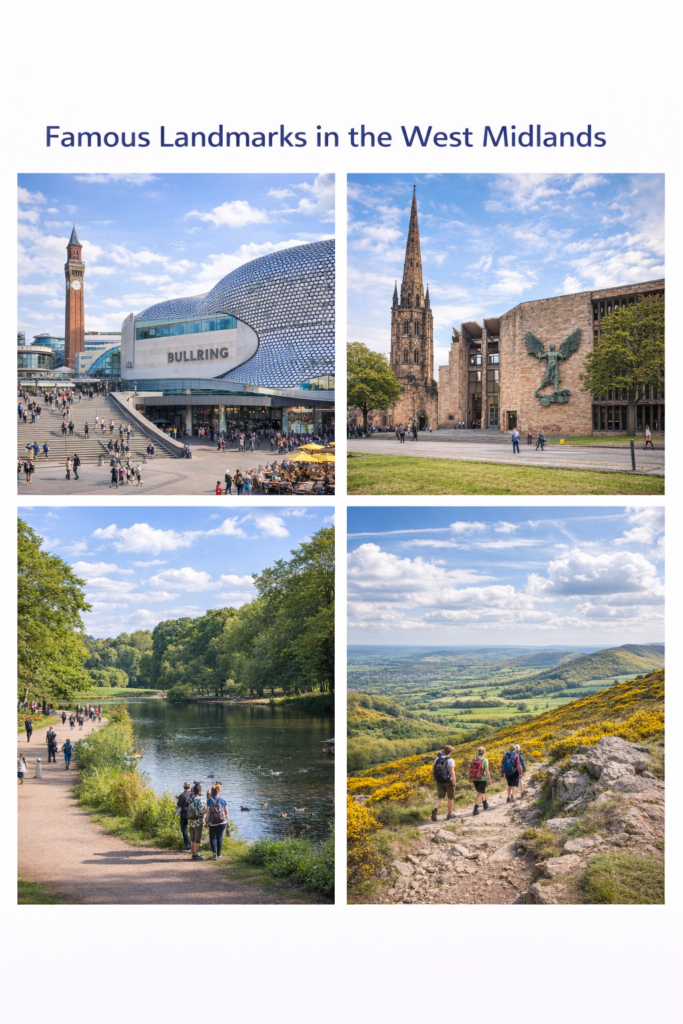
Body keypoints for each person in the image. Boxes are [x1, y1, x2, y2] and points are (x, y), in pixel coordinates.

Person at [431, 744, 456, 822]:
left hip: (439, 781)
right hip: (449, 781)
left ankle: (435, 810)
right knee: (450, 798)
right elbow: (452, 771)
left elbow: (433, 770)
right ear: (450, 752)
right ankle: (449, 814)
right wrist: (454, 780)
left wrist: (434, 779)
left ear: (443, 751)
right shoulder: (450, 760)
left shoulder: (437, 759)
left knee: (440, 797)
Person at [205, 783, 229, 859]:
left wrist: (206, 821)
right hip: (222, 822)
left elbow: (208, 813)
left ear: (211, 792)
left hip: (212, 822)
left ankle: (214, 854)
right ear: (218, 792)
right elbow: (226, 812)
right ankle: (219, 854)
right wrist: (228, 822)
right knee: (220, 837)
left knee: (212, 837)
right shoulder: (223, 801)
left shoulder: (209, 801)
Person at [469, 746, 492, 815]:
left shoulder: (473, 760)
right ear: (484, 752)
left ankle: (485, 804)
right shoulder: (485, 760)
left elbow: (470, 768)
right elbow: (486, 771)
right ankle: (475, 809)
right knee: (480, 793)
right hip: (482, 778)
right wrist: (489, 779)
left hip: (474, 778)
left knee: (480, 792)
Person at [187, 782, 206, 860]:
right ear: (199, 790)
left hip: (191, 819)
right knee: (197, 838)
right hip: (198, 820)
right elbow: (202, 810)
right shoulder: (200, 798)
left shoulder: (190, 798)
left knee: (192, 837)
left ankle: (193, 853)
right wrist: (205, 812)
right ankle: (195, 854)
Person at [176, 781, 193, 851]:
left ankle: (188, 845)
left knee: (184, 829)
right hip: (193, 813)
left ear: (184, 787)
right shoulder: (193, 794)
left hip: (184, 814)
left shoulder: (182, 795)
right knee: (194, 830)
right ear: (190, 787)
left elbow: (179, 805)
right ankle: (194, 845)